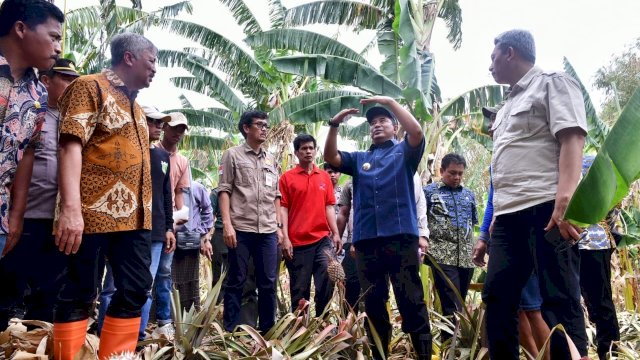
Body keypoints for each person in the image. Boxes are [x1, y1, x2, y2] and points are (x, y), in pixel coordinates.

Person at [482, 29, 588, 359]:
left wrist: (565, 199)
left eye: (493, 57)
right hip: (508, 216)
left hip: (546, 207)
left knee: (559, 298)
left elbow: (572, 138)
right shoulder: (507, 104)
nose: (490, 66)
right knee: (497, 296)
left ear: (510, 53)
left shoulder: (552, 82)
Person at [53, 32, 158, 360]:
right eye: (152, 61)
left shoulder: (138, 108)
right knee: (80, 293)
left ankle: (115, 357)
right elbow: (70, 145)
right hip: (91, 215)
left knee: (137, 288)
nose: (156, 69)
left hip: (135, 219)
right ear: (129, 58)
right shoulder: (89, 86)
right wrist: (71, 210)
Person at [324, 96, 432, 360]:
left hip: (401, 240)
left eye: (383, 120)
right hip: (366, 243)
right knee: (373, 303)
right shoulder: (360, 159)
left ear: (395, 127)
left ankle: (424, 355)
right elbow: (330, 156)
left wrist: (391, 102)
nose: (376, 125)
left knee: (411, 301)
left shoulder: (404, 152)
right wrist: (335, 125)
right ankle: (379, 354)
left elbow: (417, 132)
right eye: (372, 122)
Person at [0, 58, 78, 330]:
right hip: (25, 217)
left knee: (46, 296)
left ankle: (34, 347)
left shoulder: (73, 121)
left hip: (58, 224)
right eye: (66, 79)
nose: (73, 85)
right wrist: (14, 215)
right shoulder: (32, 112)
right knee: (9, 290)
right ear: (47, 80)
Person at [473, 104, 551, 360]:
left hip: (522, 233)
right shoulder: (499, 159)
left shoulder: (526, 150)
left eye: (496, 118)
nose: (492, 125)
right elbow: (493, 202)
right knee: (513, 307)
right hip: (502, 238)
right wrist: (483, 237)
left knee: (532, 307)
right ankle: (533, 356)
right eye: (491, 120)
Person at [96, 105, 176, 341]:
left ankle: (136, 337)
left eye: (161, 123)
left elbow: (166, 194)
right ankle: (104, 334)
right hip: (124, 229)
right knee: (112, 286)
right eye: (153, 121)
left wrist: (169, 228)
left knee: (144, 287)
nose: (159, 127)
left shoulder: (162, 157)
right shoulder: (122, 150)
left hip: (156, 232)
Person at [0, 0, 64, 257]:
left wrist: (16, 214)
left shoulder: (38, 94)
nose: (58, 48)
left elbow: (27, 153)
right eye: (54, 37)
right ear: (21, 28)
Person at [219, 110, 283, 333]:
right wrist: (227, 224)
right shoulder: (232, 155)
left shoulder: (271, 159)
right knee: (237, 280)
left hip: (267, 230)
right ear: (246, 128)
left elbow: (276, 196)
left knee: (268, 282)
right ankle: (230, 330)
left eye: (266, 124)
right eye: (259, 124)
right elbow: (224, 190)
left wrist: (279, 227)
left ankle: (267, 331)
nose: (264, 128)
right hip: (241, 228)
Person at [279, 134, 341, 316]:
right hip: (297, 243)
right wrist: (285, 238)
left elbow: (329, 207)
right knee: (299, 290)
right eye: (303, 148)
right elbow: (282, 209)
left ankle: (322, 322)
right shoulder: (287, 178)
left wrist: (335, 233)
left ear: (316, 151)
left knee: (328, 280)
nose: (308, 152)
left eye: (311, 148)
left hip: (322, 240)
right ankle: (300, 329)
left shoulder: (324, 177)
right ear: (296, 152)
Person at [423, 153, 478, 340]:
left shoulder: (469, 195)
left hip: (466, 257)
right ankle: (450, 347)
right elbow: (420, 221)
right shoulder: (429, 192)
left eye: (460, 174)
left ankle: (454, 344)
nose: (457, 177)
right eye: (452, 173)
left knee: (459, 304)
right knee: (451, 303)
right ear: (441, 171)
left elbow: (473, 223)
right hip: (441, 255)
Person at [150, 111, 191, 339]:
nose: (178, 133)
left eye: (182, 129)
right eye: (175, 128)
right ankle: (140, 321)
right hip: (150, 220)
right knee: (145, 273)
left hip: (167, 222)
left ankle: (164, 320)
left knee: (164, 273)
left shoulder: (182, 161)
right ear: (165, 127)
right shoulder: (151, 151)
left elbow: (178, 193)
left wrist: (176, 220)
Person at [578, 155, 620, 360]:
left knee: (596, 300)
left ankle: (609, 349)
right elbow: (613, 217)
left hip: (586, 243)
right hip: (594, 243)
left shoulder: (579, 165)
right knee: (599, 299)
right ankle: (608, 349)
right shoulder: (596, 167)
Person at [173, 179, 213, 311]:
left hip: (189, 242)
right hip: (168, 240)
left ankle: (190, 313)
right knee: (168, 278)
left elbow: (207, 209)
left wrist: (201, 232)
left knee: (190, 277)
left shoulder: (196, 188)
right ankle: (168, 316)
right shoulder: (165, 185)